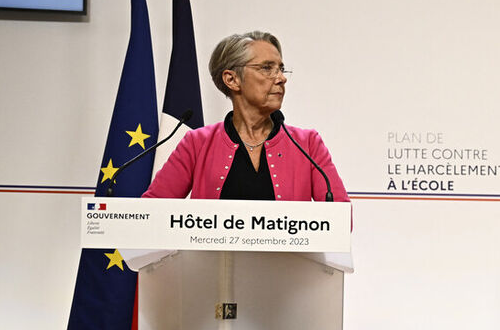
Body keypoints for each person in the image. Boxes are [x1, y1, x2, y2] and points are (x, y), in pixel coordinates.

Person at [143, 31, 349, 202]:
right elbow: (152, 213)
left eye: (281, 69)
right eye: (267, 68)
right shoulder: (197, 144)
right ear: (232, 79)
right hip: (214, 254)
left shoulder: (308, 144)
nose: (282, 78)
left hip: (288, 254)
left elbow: (339, 219)